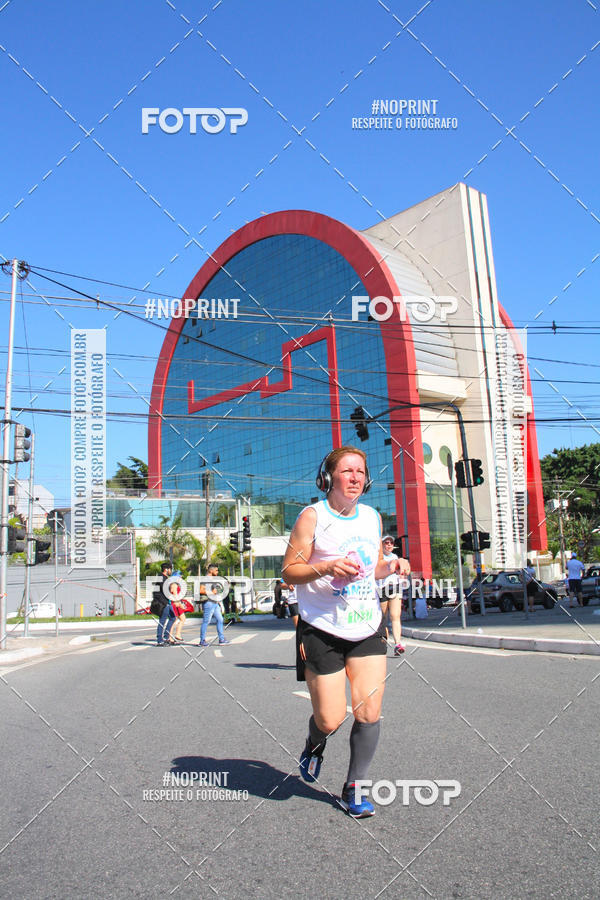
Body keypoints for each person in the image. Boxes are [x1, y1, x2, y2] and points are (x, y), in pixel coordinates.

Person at [282, 446, 410, 818]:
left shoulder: (371, 517)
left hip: (367, 625)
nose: (355, 477)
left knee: (369, 710)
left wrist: (393, 565)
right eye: (347, 471)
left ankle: (356, 786)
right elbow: (289, 571)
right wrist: (326, 568)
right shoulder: (312, 517)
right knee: (330, 718)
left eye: (361, 471)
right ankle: (315, 741)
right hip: (321, 628)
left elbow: (370, 571)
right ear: (328, 478)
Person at [377, 535, 405, 655]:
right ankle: (383, 642)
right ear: (381, 545)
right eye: (386, 543)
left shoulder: (396, 557)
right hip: (380, 589)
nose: (389, 545)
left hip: (394, 587)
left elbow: (402, 572)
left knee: (395, 615)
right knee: (382, 618)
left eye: (391, 543)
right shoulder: (378, 558)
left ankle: (398, 644)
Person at [200, 563, 231, 646]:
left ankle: (221, 639)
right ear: (211, 570)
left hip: (214, 603)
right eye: (216, 570)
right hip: (208, 603)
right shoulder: (206, 579)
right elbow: (200, 590)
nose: (217, 572)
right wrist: (211, 592)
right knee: (206, 621)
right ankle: (202, 640)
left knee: (220, 620)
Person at [154, 562, 175, 646]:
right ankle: (160, 640)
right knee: (162, 621)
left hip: (167, 602)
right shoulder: (161, 578)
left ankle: (166, 637)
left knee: (173, 618)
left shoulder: (165, 578)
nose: (171, 571)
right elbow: (165, 590)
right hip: (163, 603)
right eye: (170, 569)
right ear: (166, 569)